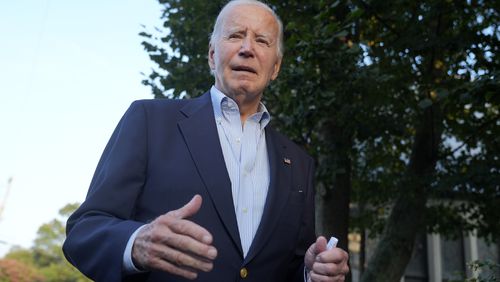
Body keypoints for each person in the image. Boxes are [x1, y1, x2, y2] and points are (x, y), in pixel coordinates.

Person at [63, 0, 349, 281]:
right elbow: (84, 231)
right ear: (212, 55)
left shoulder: (300, 164)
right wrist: (136, 243)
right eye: (236, 35)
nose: (247, 49)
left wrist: (311, 273)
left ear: (275, 67)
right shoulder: (149, 120)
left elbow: (289, 267)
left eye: (262, 41)